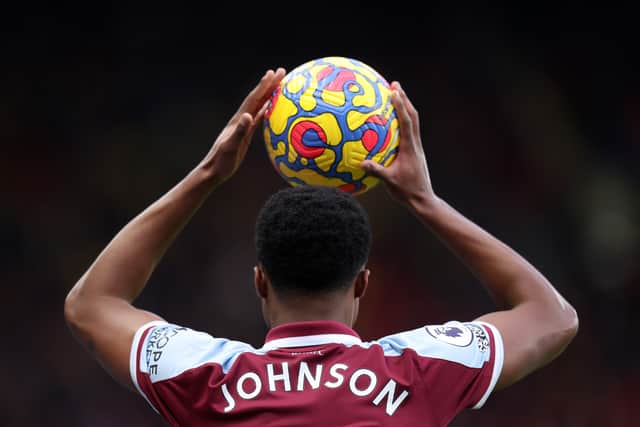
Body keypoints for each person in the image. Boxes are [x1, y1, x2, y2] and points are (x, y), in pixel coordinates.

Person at [64, 68, 579, 426]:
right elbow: (551, 316)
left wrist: (207, 175)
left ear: (259, 280)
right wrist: (425, 202)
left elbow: (93, 305)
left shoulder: (207, 379)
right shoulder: (415, 372)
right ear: (362, 282)